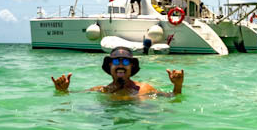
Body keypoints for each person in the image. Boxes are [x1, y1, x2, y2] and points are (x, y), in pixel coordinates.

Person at [51, 46, 184, 99]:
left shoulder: (145, 89)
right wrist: (62, 91)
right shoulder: (101, 90)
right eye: (116, 62)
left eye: (125, 62)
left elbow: (173, 97)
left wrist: (177, 85)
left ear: (132, 66)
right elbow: (76, 96)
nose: (120, 65)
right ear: (110, 66)